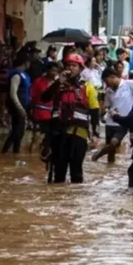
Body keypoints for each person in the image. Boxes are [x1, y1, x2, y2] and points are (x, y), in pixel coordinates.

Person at [41, 54, 101, 183]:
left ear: (80, 68)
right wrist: (58, 82)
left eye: (74, 66)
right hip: (58, 132)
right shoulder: (58, 85)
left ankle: (74, 198)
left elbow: (95, 112)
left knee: (76, 169)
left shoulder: (87, 87)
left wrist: (95, 134)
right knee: (59, 170)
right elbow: (45, 98)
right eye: (68, 65)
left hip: (79, 133)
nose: (71, 68)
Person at [92, 68, 133, 164]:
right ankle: (109, 170)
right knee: (111, 151)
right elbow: (107, 106)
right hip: (110, 122)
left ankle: (98, 154)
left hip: (123, 121)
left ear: (112, 77)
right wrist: (108, 111)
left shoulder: (129, 84)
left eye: (107, 81)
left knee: (114, 142)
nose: (106, 84)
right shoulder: (108, 91)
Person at [2, 52, 32, 154]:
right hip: (16, 105)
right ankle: (5, 151)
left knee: (20, 130)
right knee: (17, 130)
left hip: (23, 104)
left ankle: (16, 151)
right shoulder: (16, 75)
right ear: (25, 63)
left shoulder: (24, 75)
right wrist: (19, 107)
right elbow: (13, 93)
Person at [29, 62, 60, 156]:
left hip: (52, 115)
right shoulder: (38, 81)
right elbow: (32, 97)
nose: (54, 72)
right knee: (36, 137)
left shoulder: (57, 83)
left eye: (56, 71)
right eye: (53, 70)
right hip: (39, 113)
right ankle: (31, 157)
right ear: (47, 70)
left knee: (48, 140)